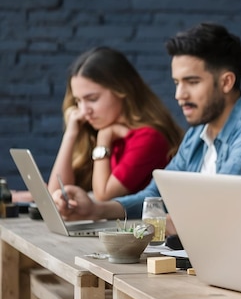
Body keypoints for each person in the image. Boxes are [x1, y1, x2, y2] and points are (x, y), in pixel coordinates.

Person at [52, 23, 241, 233]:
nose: (179, 95)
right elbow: (158, 195)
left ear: (226, 82)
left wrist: (164, 223)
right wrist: (96, 209)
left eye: (191, 82)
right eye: (176, 83)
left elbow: (217, 207)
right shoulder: (198, 133)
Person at [47, 47, 184, 201]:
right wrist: (70, 135)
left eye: (92, 99)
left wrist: (103, 141)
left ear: (122, 90)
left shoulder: (148, 138)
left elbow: (103, 195)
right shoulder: (97, 130)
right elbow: (57, 195)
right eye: (78, 101)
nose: (84, 111)